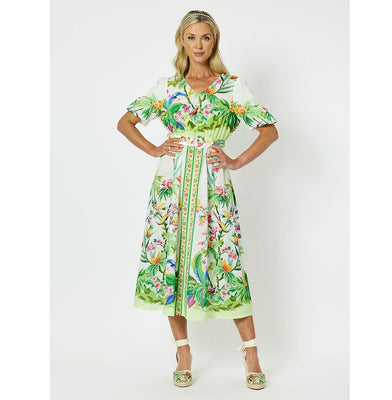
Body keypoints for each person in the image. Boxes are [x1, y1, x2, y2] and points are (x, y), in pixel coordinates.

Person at [117, 9, 278, 390]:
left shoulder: (232, 87)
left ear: (214, 40)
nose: (199, 44)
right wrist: (154, 149)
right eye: (192, 37)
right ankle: (183, 353)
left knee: (227, 265)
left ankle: (252, 354)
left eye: (205, 37)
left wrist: (236, 161)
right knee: (170, 262)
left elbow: (269, 131)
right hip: (171, 188)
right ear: (182, 41)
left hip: (213, 188)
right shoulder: (167, 88)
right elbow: (125, 122)